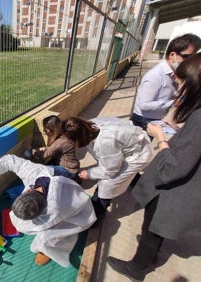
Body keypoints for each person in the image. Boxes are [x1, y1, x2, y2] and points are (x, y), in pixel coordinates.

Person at [107, 53, 201, 281]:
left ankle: (138, 267)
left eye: (180, 85)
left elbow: (174, 168)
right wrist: (178, 132)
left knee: (152, 226)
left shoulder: (199, 118)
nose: (178, 91)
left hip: (177, 189)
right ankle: (151, 256)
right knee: (157, 227)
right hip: (186, 184)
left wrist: (161, 137)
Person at [0, 154, 96, 267]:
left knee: (49, 235)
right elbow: (9, 160)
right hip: (61, 173)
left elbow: (39, 227)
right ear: (28, 191)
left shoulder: (56, 209)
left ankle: (51, 250)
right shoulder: (33, 173)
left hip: (78, 208)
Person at [64, 116, 154, 220]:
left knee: (107, 185)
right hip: (131, 145)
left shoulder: (105, 143)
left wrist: (88, 173)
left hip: (138, 155)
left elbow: (109, 170)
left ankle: (98, 212)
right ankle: (141, 186)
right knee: (126, 174)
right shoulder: (91, 124)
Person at [130, 33, 201, 131]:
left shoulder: (173, 74)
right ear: (172, 55)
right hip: (142, 120)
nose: (189, 62)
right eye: (187, 57)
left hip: (155, 119)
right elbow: (144, 105)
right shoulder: (156, 75)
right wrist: (172, 103)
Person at [30, 115, 80, 181]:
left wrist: (30, 149)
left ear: (52, 130)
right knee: (49, 162)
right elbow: (55, 149)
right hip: (72, 167)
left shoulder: (60, 142)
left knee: (40, 171)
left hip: (68, 171)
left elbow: (43, 155)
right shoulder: (65, 133)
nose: (43, 131)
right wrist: (47, 148)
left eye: (45, 129)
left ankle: (70, 179)